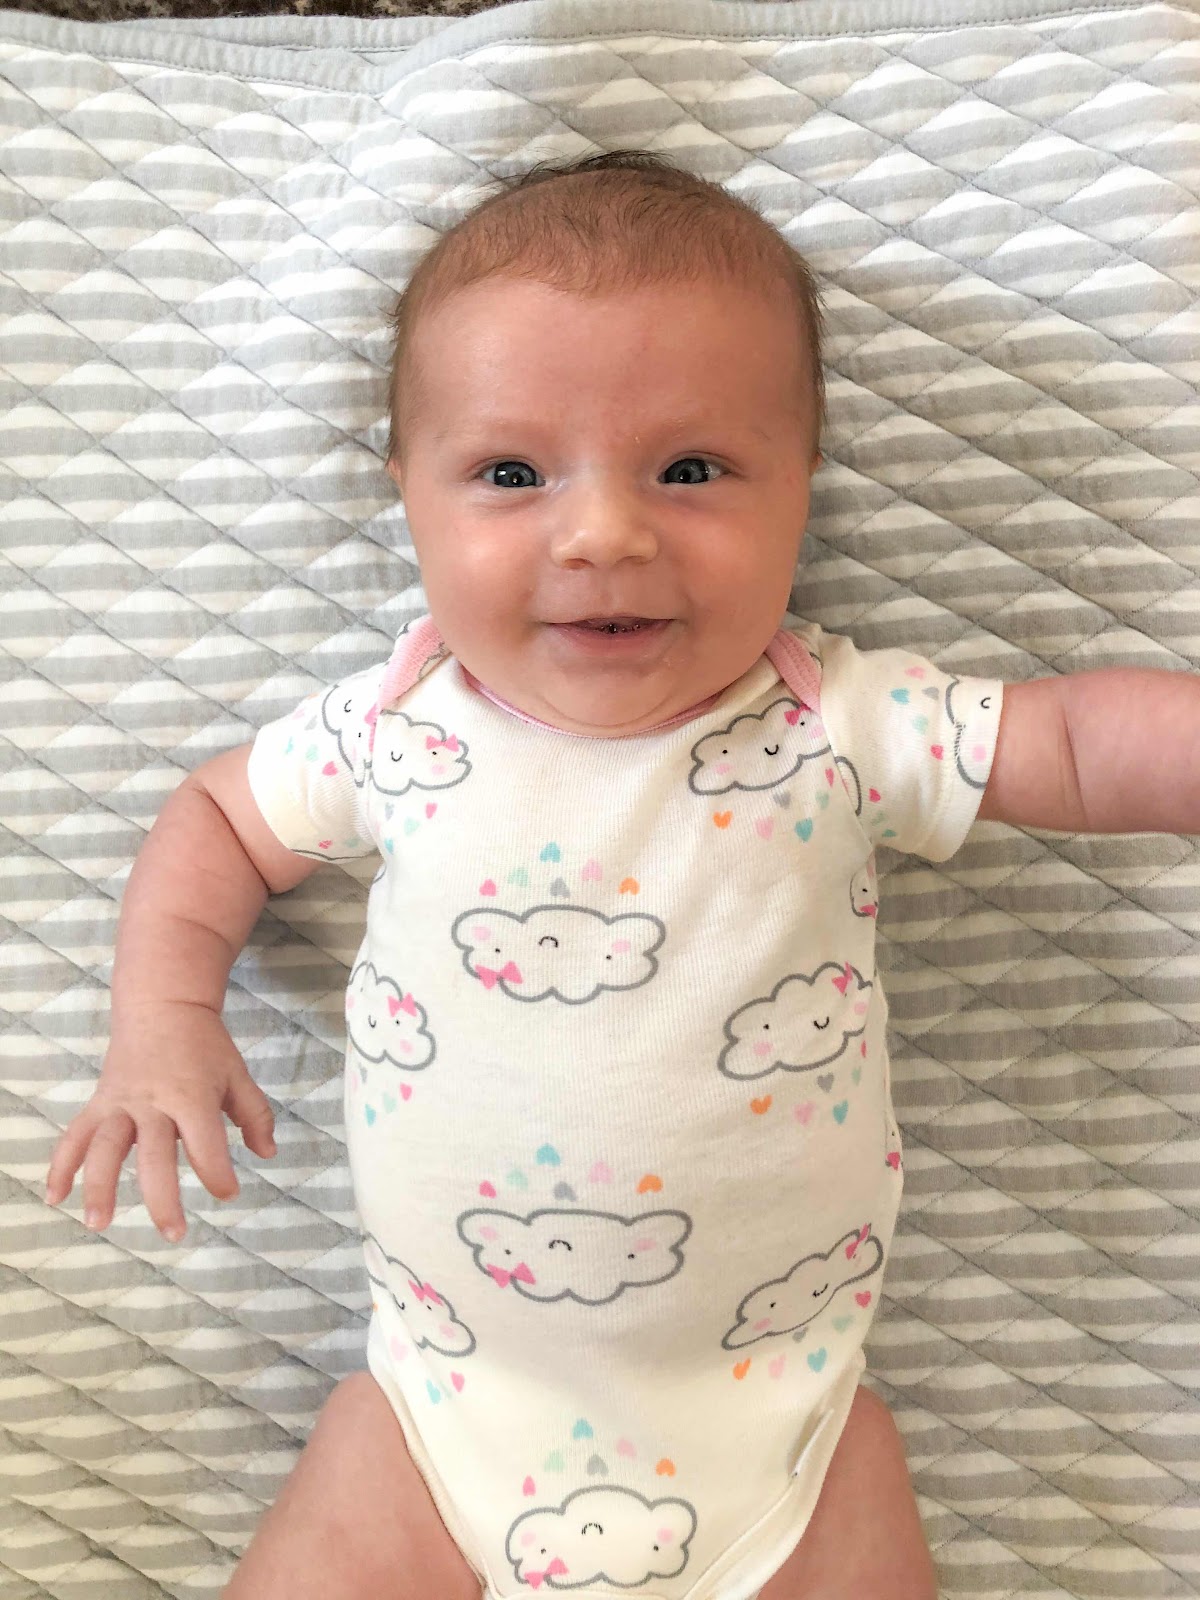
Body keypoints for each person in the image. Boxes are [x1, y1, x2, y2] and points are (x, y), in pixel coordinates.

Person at [44, 151, 1199, 1600]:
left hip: (783, 1421)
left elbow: (1077, 746)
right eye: (511, 475)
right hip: (443, 1418)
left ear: (803, 485)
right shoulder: (394, 731)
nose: (603, 534)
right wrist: (162, 1021)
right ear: (407, 492)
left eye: (691, 471)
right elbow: (217, 822)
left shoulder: (836, 722)